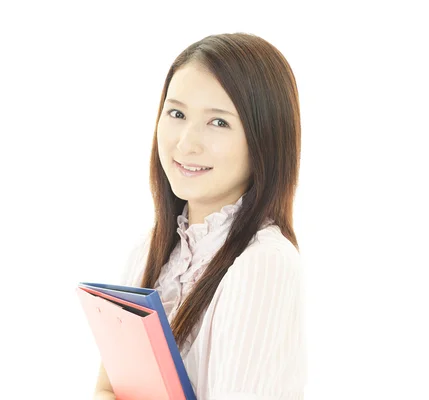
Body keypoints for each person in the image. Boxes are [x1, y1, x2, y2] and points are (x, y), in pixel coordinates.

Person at [93, 32, 306, 400]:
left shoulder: (263, 264)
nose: (186, 142)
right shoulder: (149, 252)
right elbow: (105, 389)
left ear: (264, 140)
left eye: (218, 122)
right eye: (177, 113)